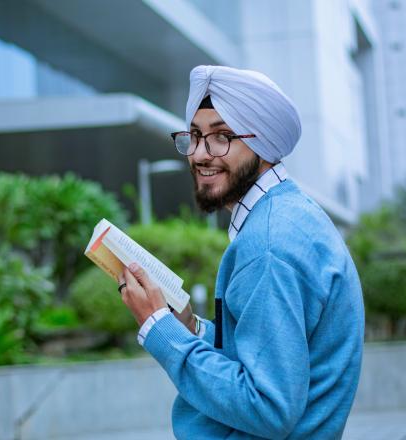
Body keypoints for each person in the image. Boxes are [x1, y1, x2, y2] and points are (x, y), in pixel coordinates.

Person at [118, 65, 365, 439]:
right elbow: (265, 353)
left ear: (262, 142)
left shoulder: (268, 245)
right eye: (195, 136)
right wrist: (189, 328)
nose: (200, 154)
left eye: (222, 136)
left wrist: (160, 330)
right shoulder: (289, 215)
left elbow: (268, 406)